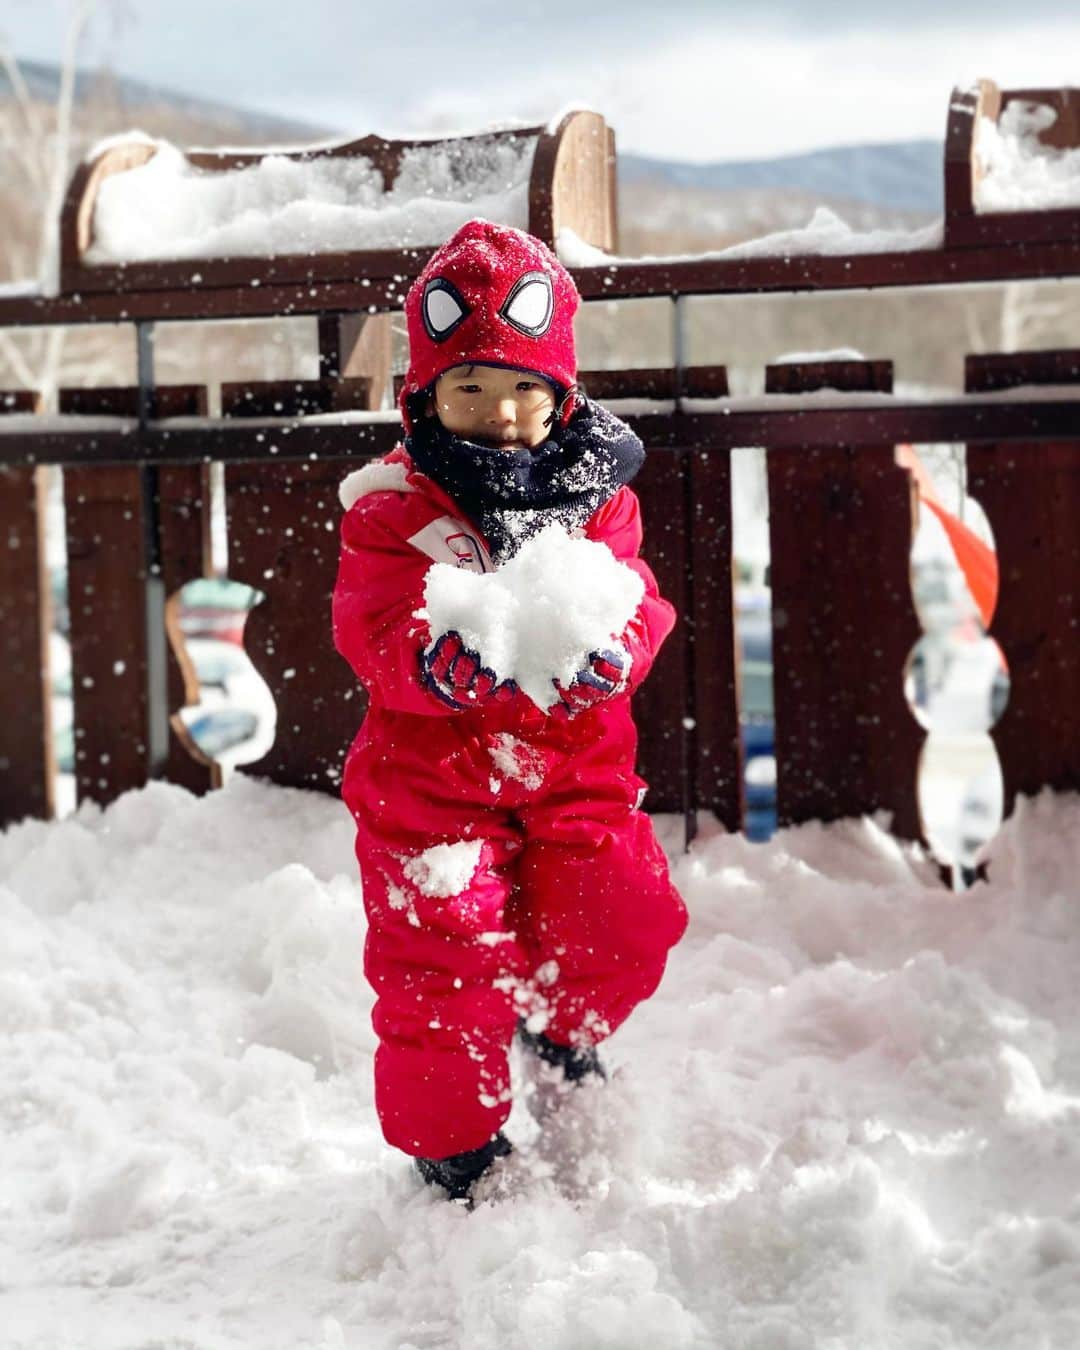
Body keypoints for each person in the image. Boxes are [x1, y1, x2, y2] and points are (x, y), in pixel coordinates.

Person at [332, 218, 688, 1202]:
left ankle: (563, 1030)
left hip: (575, 770)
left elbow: (640, 598)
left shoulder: (597, 499)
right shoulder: (392, 507)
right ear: (426, 396)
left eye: (525, 390)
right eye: (471, 390)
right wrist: (432, 659)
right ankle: (453, 1140)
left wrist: (617, 649)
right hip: (431, 788)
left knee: (621, 915)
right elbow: (370, 623)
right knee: (444, 958)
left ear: (562, 394)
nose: (499, 414)